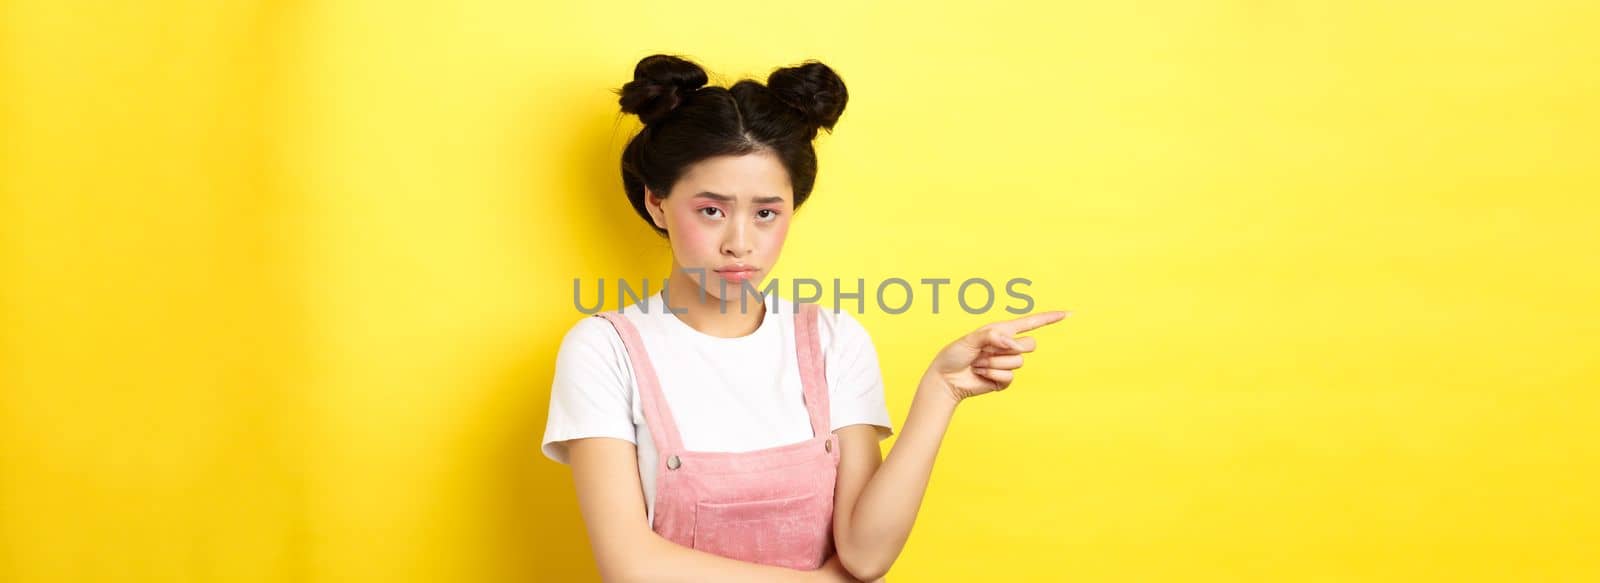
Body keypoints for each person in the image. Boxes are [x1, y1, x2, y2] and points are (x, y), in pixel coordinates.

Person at [541, 54, 1069, 582]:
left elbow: (865, 554)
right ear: (657, 205)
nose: (740, 243)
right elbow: (632, 568)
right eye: (711, 211)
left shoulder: (833, 340)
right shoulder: (604, 350)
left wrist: (941, 390)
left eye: (766, 212)